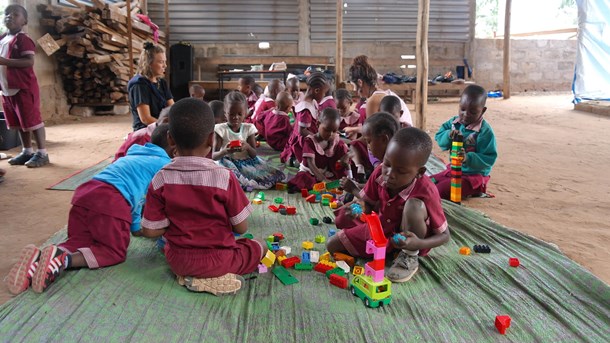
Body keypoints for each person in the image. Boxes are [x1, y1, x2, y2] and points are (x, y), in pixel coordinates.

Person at [6, 124, 173, 295]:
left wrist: (136, 225)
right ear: (174, 148)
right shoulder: (166, 166)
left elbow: (137, 191)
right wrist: (139, 227)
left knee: (79, 241)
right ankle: (64, 261)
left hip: (85, 193)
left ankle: (39, 260)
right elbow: (143, 199)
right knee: (112, 251)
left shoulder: (134, 154)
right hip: (111, 201)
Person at [140, 98, 267, 295]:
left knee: (168, 247)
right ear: (211, 139)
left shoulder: (161, 178)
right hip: (220, 261)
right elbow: (241, 228)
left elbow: (149, 231)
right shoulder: (224, 177)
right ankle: (215, 277)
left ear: (170, 139)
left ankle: (192, 277)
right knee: (258, 245)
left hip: (178, 261)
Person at [327, 127, 450, 283]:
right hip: (381, 230)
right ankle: (390, 252)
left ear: (419, 172)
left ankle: (408, 256)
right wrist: (360, 208)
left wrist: (418, 243)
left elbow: (445, 236)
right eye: (387, 164)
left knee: (414, 206)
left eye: (401, 171)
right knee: (332, 245)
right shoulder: (379, 173)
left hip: (409, 238)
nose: (390, 174)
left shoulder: (427, 191)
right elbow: (368, 204)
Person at [1, 5, 49, 168]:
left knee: (32, 120)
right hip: (7, 88)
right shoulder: (2, 39)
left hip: (23, 87)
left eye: (15, 15)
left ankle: (42, 153)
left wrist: (5, 62)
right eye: (7, 14)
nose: (10, 17)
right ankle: (27, 150)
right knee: (20, 122)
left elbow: (29, 61)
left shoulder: (23, 39)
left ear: (25, 21)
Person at [431, 85, 497, 199]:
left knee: (439, 190)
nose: (466, 114)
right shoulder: (453, 123)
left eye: (473, 112)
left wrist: (467, 158)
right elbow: (439, 137)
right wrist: (448, 135)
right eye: (462, 109)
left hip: (473, 177)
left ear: (483, 110)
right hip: (453, 170)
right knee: (427, 182)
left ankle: (476, 190)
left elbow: (489, 158)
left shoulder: (484, 132)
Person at [213, 91, 285, 190]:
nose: (236, 117)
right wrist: (225, 151)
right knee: (231, 175)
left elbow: (254, 154)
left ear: (246, 113)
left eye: (239, 114)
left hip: (246, 162)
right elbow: (213, 156)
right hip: (228, 162)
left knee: (271, 174)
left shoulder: (248, 128)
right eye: (231, 114)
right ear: (225, 113)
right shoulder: (220, 129)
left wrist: (247, 146)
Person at [287, 108, 348, 192]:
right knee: (304, 180)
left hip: (325, 171)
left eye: (334, 131)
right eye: (327, 130)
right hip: (310, 171)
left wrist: (346, 156)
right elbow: (311, 164)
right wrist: (323, 179)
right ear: (318, 124)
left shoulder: (333, 140)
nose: (330, 134)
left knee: (340, 179)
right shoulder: (310, 141)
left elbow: (348, 150)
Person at [343, 112, 400, 197]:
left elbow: (375, 203)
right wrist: (357, 185)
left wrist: (353, 189)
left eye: (369, 141)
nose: (368, 147)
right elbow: (373, 187)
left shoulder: (388, 170)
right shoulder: (384, 166)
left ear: (384, 139)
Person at [349, 55, 412, 128]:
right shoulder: (384, 94)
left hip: (396, 138)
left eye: (354, 85)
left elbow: (371, 133)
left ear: (360, 82)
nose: (354, 89)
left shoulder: (374, 100)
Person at [280, 72, 330, 163]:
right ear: (317, 90)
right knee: (323, 155)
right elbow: (302, 131)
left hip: (310, 134)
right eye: (324, 93)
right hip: (304, 140)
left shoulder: (313, 102)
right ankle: (297, 159)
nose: (324, 96)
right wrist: (317, 137)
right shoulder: (305, 108)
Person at [128, 42, 174, 131]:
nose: (165, 65)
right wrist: (168, 128)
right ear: (148, 63)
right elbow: (146, 119)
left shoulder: (162, 82)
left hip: (162, 126)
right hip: (146, 130)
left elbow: (172, 108)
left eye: (165, 62)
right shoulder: (139, 85)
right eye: (161, 62)